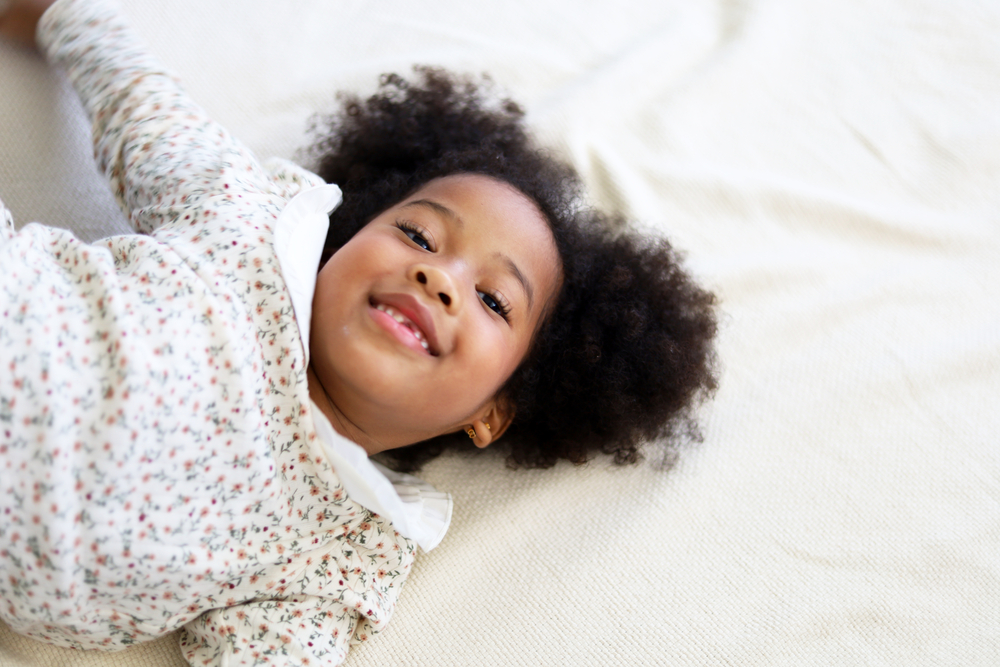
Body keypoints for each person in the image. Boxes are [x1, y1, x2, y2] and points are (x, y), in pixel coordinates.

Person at [0, 0, 718, 664]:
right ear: (344, 237)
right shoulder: (252, 227)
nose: (439, 278)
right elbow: (145, 115)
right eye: (417, 233)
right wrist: (65, 15)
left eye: (494, 300)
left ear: (491, 411)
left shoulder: (346, 546)